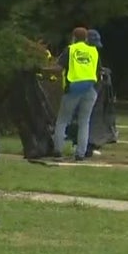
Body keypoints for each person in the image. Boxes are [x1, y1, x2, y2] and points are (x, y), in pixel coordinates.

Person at [53, 27, 100, 161]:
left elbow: (59, 67)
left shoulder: (71, 49)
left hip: (73, 88)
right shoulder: (93, 51)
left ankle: (58, 150)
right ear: (86, 38)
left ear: (73, 37)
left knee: (62, 120)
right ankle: (81, 153)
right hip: (90, 88)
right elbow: (98, 70)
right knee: (84, 122)